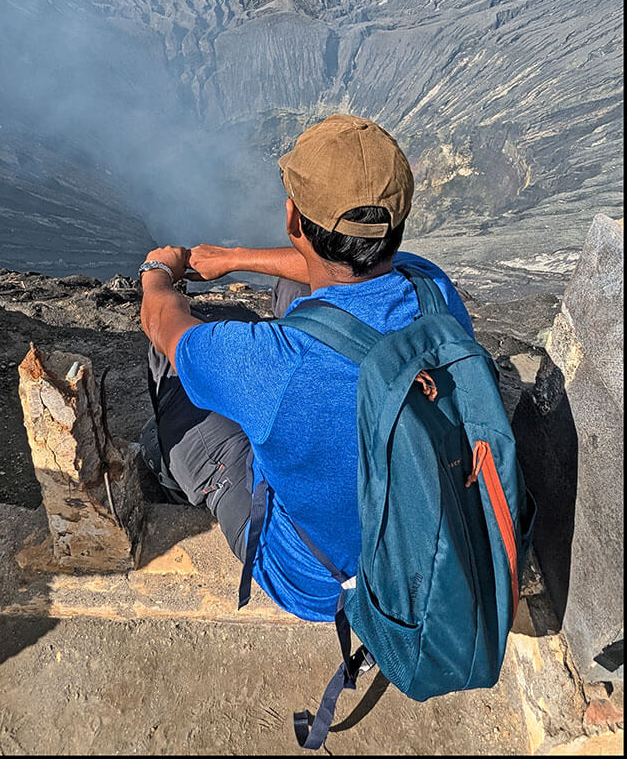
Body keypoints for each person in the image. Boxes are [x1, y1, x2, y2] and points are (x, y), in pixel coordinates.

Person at [137, 113, 474, 622]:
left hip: (319, 580)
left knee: (174, 376)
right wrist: (234, 258)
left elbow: (162, 323)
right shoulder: (431, 285)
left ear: (293, 221)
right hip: (419, 544)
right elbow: (336, 270)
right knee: (300, 294)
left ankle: (171, 470)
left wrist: (158, 271)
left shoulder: (272, 363)